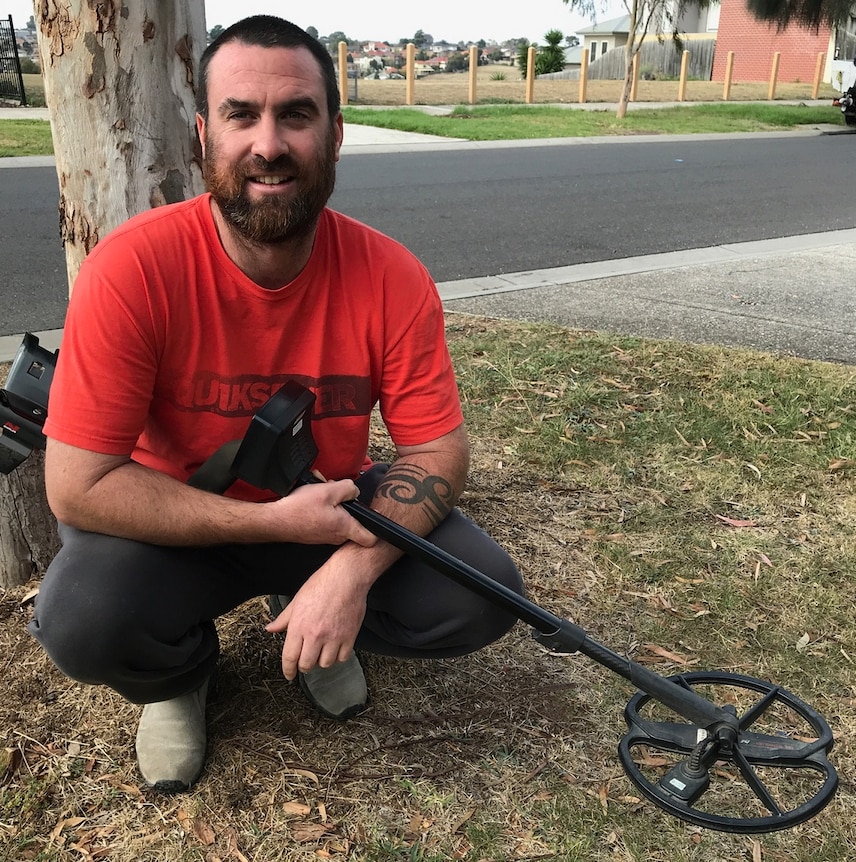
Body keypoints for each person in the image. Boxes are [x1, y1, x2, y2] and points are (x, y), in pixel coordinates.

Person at [28, 15, 523, 794]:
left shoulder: (393, 276)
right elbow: (78, 484)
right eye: (240, 115)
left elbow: (439, 451)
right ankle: (177, 678)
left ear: (334, 135)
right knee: (83, 621)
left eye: (296, 114)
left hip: (329, 512)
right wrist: (268, 524)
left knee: (480, 593)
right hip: (177, 518)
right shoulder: (130, 271)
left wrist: (351, 570)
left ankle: (316, 616)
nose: (268, 144)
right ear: (203, 135)